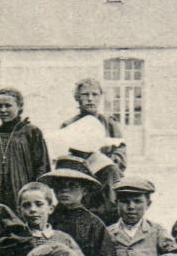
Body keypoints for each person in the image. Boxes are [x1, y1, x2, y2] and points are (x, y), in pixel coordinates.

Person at [50, 77, 127, 222]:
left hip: (105, 179)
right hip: (78, 180)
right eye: (85, 95)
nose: (90, 99)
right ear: (78, 98)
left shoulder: (109, 123)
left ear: (100, 97)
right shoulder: (69, 125)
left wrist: (106, 163)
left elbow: (120, 151)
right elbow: (61, 154)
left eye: (94, 94)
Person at [0, 87, 49, 211]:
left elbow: (41, 166)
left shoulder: (31, 132)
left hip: (21, 193)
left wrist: (36, 194)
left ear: (20, 107)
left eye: (8, 106)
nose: (3, 110)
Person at [42, 156, 114, 256]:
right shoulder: (46, 219)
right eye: (60, 185)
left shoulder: (94, 224)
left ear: (84, 190)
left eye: (72, 185)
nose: (65, 190)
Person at [13, 181, 88, 256]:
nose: (33, 209)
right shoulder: (14, 239)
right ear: (19, 211)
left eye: (39, 204)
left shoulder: (63, 238)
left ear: (50, 208)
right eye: (26, 205)